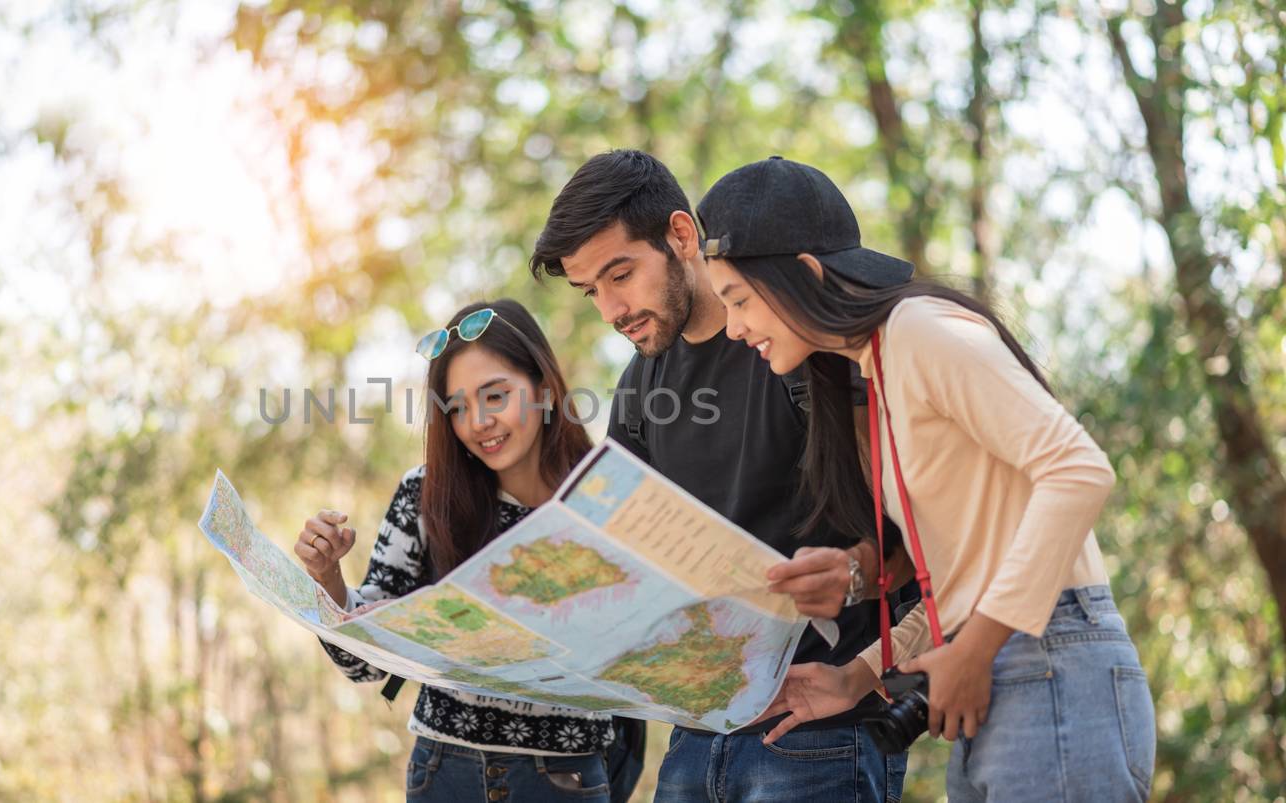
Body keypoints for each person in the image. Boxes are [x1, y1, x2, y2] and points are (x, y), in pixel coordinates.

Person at [697, 156, 1157, 801]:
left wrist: (977, 650)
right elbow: (963, 577)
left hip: (1046, 656)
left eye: (739, 300)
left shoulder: (918, 330)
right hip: (998, 663)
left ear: (804, 272)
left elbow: (1078, 470)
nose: (734, 328)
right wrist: (857, 677)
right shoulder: (873, 374)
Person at [531, 150, 912, 802]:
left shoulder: (797, 341)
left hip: (817, 725)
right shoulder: (642, 383)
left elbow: (917, 530)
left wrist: (856, 578)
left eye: (621, 274)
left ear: (682, 235)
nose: (611, 309)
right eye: (592, 290)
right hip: (696, 735)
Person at [295, 299, 641, 802]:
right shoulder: (424, 494)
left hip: (565, 778)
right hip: (443, 771)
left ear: (544, 391)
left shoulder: (608, 500)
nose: (478, 422)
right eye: (457, 407)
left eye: (495, 395)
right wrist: (326, 578)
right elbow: (364, 666)